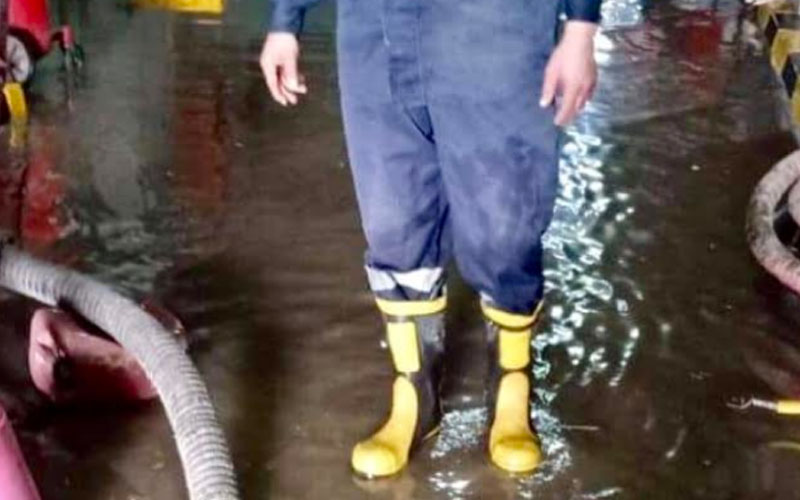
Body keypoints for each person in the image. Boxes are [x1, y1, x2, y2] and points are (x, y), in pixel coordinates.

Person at [260, 0, 600, 478]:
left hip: (496, 26)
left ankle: (512, 389)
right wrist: (285, 21)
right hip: (375, 26)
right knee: (392, 216)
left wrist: (581, 28)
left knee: (505, 221)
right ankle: (414, 396)